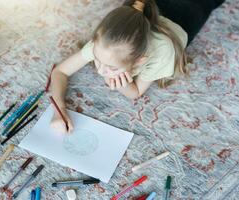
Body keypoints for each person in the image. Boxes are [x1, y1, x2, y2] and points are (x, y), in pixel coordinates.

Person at [50, 0, 225, 133]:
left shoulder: (162, 51)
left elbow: (135, 93)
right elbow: (59, 71)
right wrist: (59, 110)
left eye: (111, 68)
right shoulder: (107, 43)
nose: (102, 71)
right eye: (97, 59)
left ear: (140, 61)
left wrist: (124, 85)